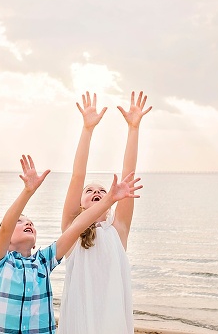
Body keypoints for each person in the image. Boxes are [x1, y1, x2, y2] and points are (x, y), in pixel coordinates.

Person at [0, 154, 142, 334]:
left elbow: (77, 227)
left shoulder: (43, 262)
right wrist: (28, 191)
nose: (28, 223)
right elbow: (5, 228)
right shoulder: (1, 263)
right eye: (20, 222)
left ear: (35, 244)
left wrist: (110, 200)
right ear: (5, 240)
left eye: (30, 223)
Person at [58, 91, 152, 334]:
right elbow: (77, 176)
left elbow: (128, 173)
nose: (96, 191)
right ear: (80, 203)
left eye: (102, 190)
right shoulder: (73, 230)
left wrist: (133, 129)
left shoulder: (117, 229)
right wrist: (87, 130)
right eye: (89, 191)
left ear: (111, 201)